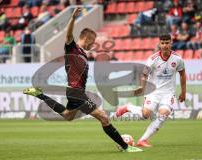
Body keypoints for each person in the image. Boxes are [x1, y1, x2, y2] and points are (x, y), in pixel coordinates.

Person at [23, 8, 142, 153]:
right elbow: (68, 35)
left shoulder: (83, 54)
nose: (92, 46)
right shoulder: (72, 48)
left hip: (75, 92)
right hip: (76, 93)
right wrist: (72, 19)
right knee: (104, 117)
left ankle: (39, 94)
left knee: (67, 115)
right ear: (86, 38)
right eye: (91, 43)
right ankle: (125, 146)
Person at [116, 34, 186, 147]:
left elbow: (182, 75)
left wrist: (183, 92)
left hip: (168, 93)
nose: (165, 45)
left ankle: (142, 140)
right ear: (159, 44)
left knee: (163, 115)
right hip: (153, 92)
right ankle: (128, 107)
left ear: (171, 43)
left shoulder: (178, 59)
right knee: (145, 115)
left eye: (167, 43)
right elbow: (144, 75)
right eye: (162, 43)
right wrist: (142, 87)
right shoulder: (153, 59)